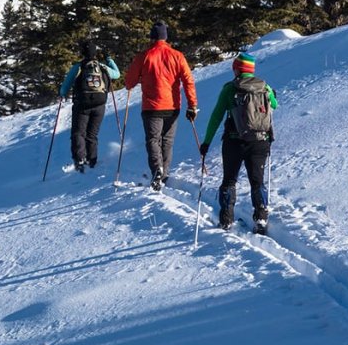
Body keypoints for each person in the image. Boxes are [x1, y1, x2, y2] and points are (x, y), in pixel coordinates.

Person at [199, 52, 278, 233]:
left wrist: (206, 142)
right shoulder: (264, 87)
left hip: (234, 141)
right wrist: (272, 95)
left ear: (236, 69)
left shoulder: (230, 88)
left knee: (229, 180)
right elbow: (274, 105)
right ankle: (261, 218)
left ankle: (226, 220)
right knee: (257, 181)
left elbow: (217, 116)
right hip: (260, 141)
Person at [124, 22, 197, 191]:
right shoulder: (177, 56)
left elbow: (129, 82)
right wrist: (192, 105)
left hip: (151, 107)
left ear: (151, 37)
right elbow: (188, 81)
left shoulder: (144, 56)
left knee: (153, 140)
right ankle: (163, 174)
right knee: (167, 141)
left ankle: (157, 170)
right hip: (172, 106)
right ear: (165, 37)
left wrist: (135, 81)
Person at [58, 42, 121, 172]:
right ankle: (92, 159)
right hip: (99, 104)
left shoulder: (79, 66)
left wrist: (62, 94)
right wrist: (109, 60)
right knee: (92, 134)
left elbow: (66, 85)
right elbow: (117, 74)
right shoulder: (102, 67)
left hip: (82, 104)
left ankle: (79, 159)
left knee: (78, 132)